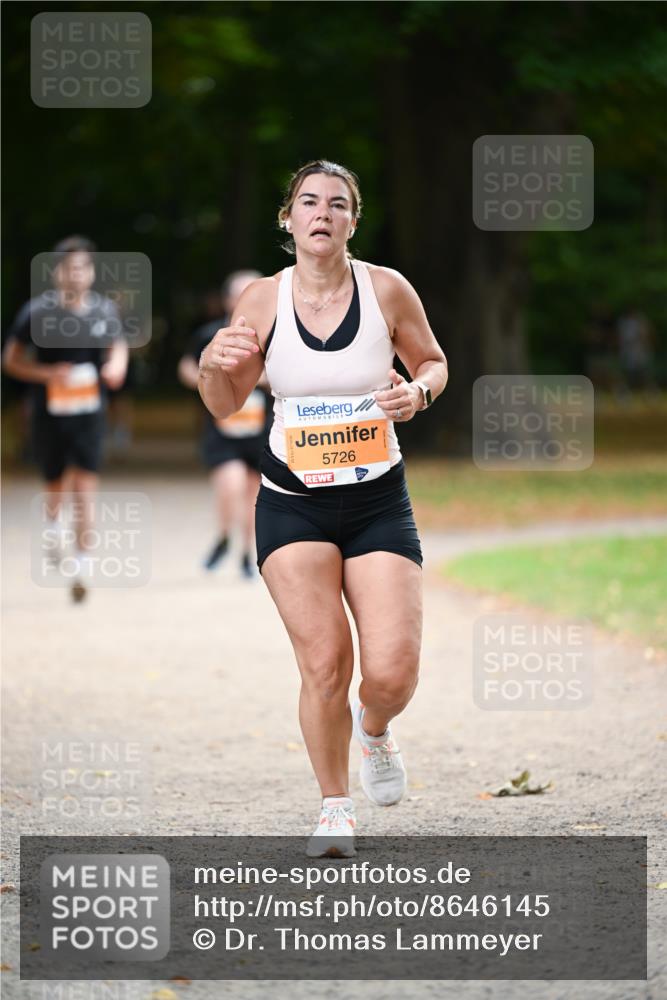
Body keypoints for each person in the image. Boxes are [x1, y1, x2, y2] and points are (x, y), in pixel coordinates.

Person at [198, 159, 448, 858]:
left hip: (376, 505)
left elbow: (433, 361)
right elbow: (225, 405)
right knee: (324, 663)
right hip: (291, 506)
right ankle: (333, 806)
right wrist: (216, 368)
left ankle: (373, 731)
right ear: (288, 218)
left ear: (351, 221)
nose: (322, 213)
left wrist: (418, 393)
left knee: (392, 673)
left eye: (337, 204)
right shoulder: (260, 300)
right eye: (308, 202)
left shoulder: (387, 290)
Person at [2, 235, 128, 602]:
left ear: (91, 273)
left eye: (83, 268)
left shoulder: (103, 311)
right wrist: (46, 375)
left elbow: (116, 344)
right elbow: (10, 360)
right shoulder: (36, 313)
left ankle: (82, 566)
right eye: (69, 268)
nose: (76, 275)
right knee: (56, 484)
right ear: (56, 273)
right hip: (48, 413)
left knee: (85, 488)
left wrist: (116, 365)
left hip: (89, 412)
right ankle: (53, 529)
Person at [178, 271, 271, 578]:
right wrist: (207, 379)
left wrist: (255, 380)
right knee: (230, 487)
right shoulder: (211, 334)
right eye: (239, 293)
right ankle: (223, 537)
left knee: (253, 496)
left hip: (260, 430)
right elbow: (188, 367)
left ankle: (247, 553)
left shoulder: (275, 335)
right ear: (229, 299)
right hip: (222, 429)